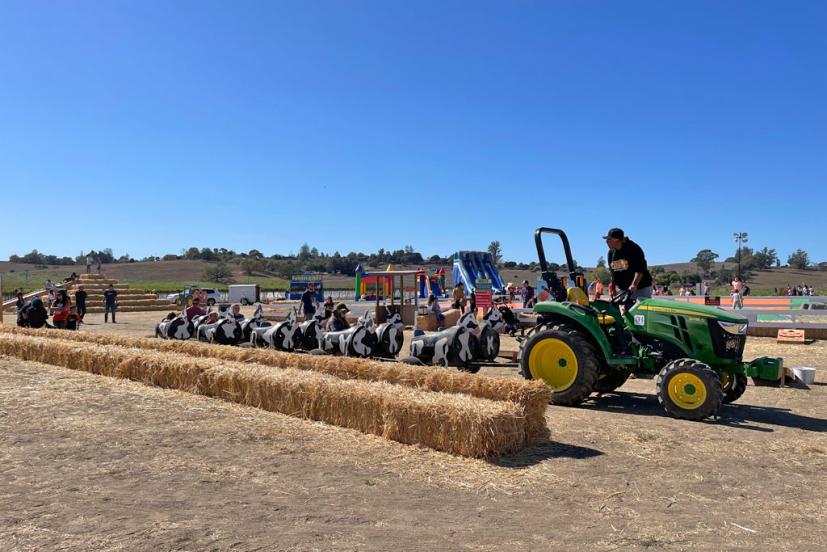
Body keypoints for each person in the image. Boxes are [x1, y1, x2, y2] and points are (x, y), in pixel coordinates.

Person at [604, 227, 653, 300]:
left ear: (617, 240)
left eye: (609, 239)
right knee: (622, 309)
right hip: (624, 289)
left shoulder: (633, 248)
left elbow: (640, 269)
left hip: (640, 287)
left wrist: (634, 284)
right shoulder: (611, 253)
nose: (607, 242)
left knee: (638, 311)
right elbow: (613, 272)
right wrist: (612, 287)